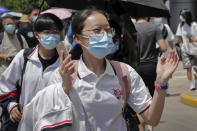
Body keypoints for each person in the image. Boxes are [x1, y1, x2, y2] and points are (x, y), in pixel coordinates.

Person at [18, 8, 179, 131]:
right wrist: (64, 88)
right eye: (97, 30)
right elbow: (45, 119)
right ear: (77, 38)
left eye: (108, 30)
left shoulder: (124, 73)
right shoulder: (64, 74)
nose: (105, 35)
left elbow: (152, 119)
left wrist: (160, 84)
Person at [0, 13, 63, 131]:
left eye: (55, 32)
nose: (51, 36)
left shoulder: (65, 62)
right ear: (36, 35)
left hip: (55, 123)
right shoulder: (24, 57)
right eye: (47, 32)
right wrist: (12, 106)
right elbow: (6, 84)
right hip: (25, 123)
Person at [135, 17, 167, 131]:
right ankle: (151, 126)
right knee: (153, 96)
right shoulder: (154, 27)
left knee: (138, 99)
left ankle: (141, 127)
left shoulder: (132, 28)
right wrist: (155, 51)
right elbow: (164, 47)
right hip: (151, 66)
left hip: (136, 66)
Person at [176, 9, 197, 90]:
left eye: (182, 15)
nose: (180, 17)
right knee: (188, 68)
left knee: (195, 68)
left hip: (195, 50)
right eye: (180, 15)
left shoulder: (194, 25)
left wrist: (193, 41)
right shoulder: (180, 25)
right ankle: (191, 84)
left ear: (187, 16)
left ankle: (196, 82)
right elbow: (179, 38)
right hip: (185, 50)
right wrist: (182, 47)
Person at [153, 17, 175, 95]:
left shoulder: (166, 27)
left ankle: (165, 89)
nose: (157, 18)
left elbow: (170, 40)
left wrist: (173, 49)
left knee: (165, 72)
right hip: (154, 53)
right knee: (156, 72)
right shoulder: (152, 27)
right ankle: (156, 89)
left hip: (165, 53)